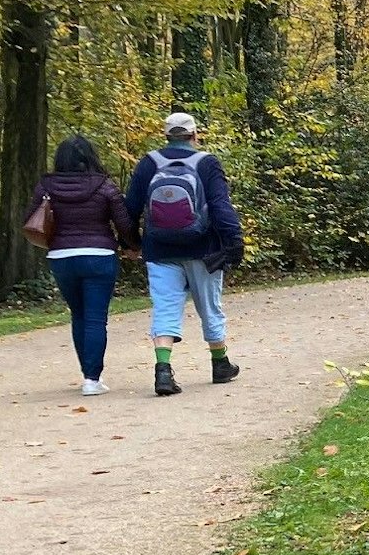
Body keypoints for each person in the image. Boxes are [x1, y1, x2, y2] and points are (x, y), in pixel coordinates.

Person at [125, 112, 246, 396]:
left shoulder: (149, 163)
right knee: (209, 307)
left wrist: (132, 243)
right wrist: (234, 242)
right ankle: (220, 364)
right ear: (194, 135)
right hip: (204, 249)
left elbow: (129, 208)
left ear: (166, 135)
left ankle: (163, 372)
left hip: (159, 250)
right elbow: (220, 206)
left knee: (165, 307)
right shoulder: (207, 163)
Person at [32, 135, 139, 395]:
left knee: (78, 314)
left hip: (61, 257)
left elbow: (32, 219)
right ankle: (92, 379)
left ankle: (88, 374)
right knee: (95, 317)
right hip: (99, 255)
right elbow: (123, 223)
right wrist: (135, 245)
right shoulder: (104, 186)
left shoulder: (45, 186)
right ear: (91, 157)